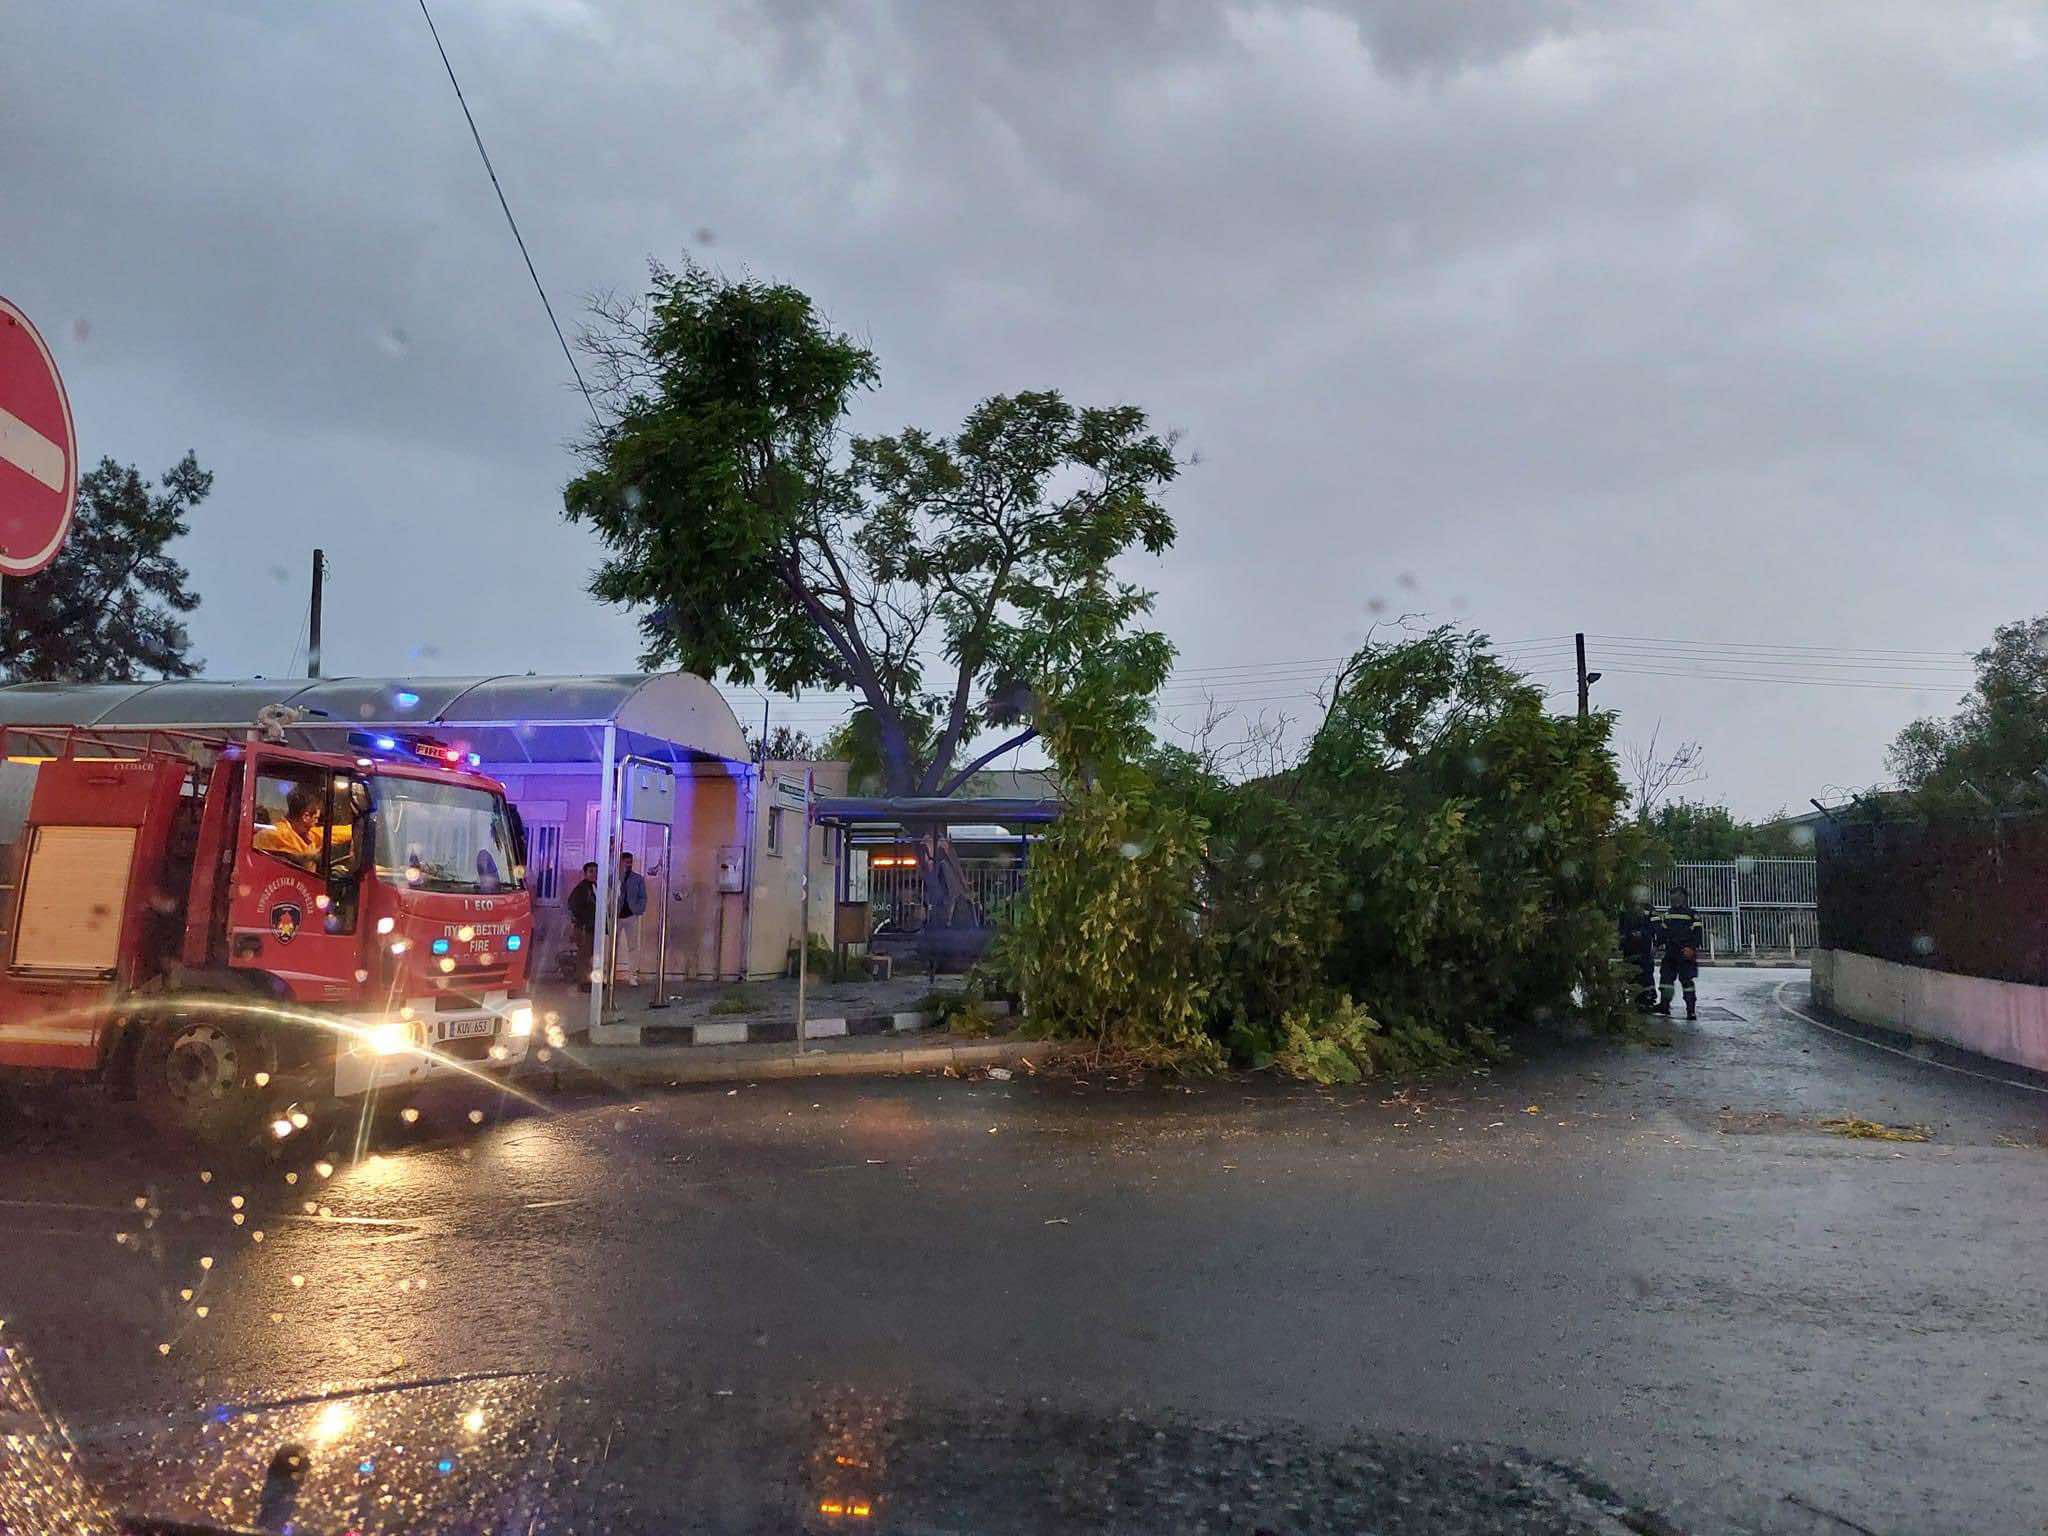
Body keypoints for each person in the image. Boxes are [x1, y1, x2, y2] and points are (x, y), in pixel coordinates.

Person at [1655, 886, 1705, 1020]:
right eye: (1672, 896)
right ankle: (1664, 1005)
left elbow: (1698, 934)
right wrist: (1657, 945)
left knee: (1687, 982)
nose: (1673, 899)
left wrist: (1692, 949)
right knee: (1666, 980)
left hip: (1685, 952)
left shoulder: (1692, 914)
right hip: (1671, 952)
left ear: (1683, 897)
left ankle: (1691, 1010)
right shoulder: (1668, 913)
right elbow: (1663, 932)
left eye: (1675, 896)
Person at [253, 786, 326, 871]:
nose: (316, 822)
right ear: (306, 816)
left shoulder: (307, 835)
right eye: (316, 818)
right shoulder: (274, 835)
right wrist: (307, 858)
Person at [1619, 899, 1658, 1011]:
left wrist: (1646, 935)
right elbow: (1621, 925)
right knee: (1631, 972)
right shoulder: (1626, 907)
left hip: (1644, 947)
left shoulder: (1649, 908)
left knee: (1646, 973)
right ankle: (1634, 998)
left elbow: (1655, 927)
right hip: (1629, 947)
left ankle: (1647, 998)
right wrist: (1624, 938)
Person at [616, 852, 648, 985]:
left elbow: (643, 896)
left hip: (631, 915)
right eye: (626, 862)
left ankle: (632, 975)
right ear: (620, 862)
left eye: (630, 862)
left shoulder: (638, 878)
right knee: (612, 945)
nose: (628, 864)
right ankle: (609, 972)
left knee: (633, 946)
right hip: (616, 916)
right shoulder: (614, 877)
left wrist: (638, 910)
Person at [566, 861, 599, 993]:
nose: (594, 874)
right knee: (584, 954)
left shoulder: (595, 886)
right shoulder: (582, 888)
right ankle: (583, 981)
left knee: (590, 954)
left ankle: (589, 980)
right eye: (591, 871)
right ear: (585, 873)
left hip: (593, 926)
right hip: (585, 926)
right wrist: (582, 921)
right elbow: (573, 906)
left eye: (596, 871)